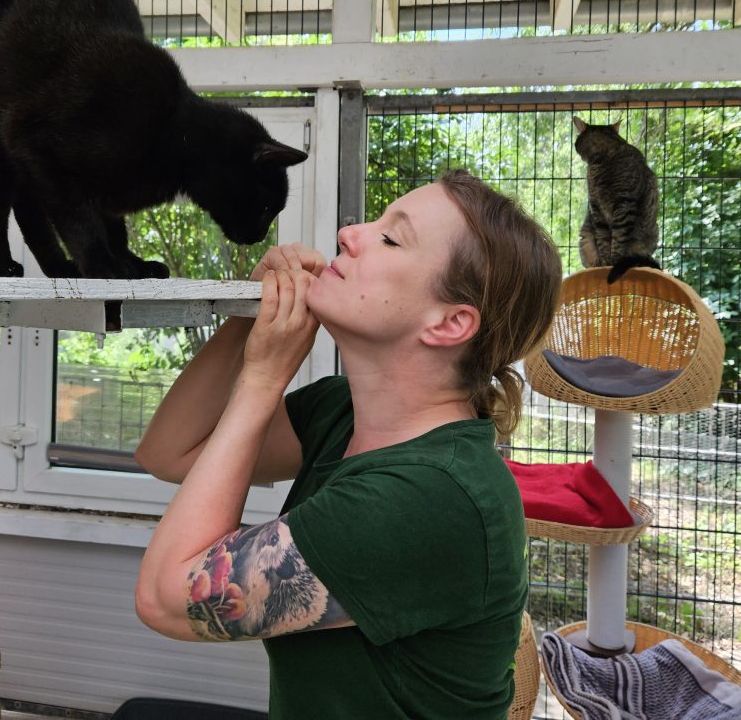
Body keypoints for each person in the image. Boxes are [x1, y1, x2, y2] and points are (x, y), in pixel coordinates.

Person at [134, 170, 563, 719]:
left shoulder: (429, 497)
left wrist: (263, 379)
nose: (348, 233)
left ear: (450, 322)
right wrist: (250, 315)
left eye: (390, 238)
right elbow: (169, 451)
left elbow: (165, 600)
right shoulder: (342, 412)